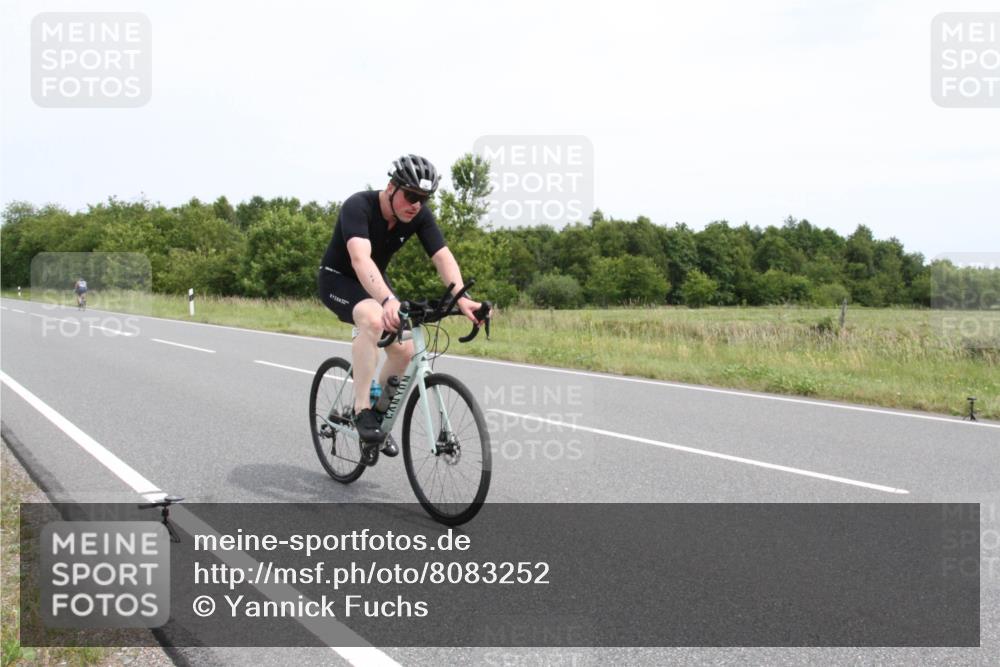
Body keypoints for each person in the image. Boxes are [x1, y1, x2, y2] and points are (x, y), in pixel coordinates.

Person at [318, 154, 488, 454]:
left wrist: (462, 298)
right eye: (411, 195)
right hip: (339, 280)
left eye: (424, 198)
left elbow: (442, 255)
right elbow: (360, 259)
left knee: (407, 348)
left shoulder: (419, 215)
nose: (416, 204)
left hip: (374, 283)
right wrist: (387, 300)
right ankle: (361, 411)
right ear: (391, 187)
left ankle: (378, 414)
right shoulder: (358, 206)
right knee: (372, 319)